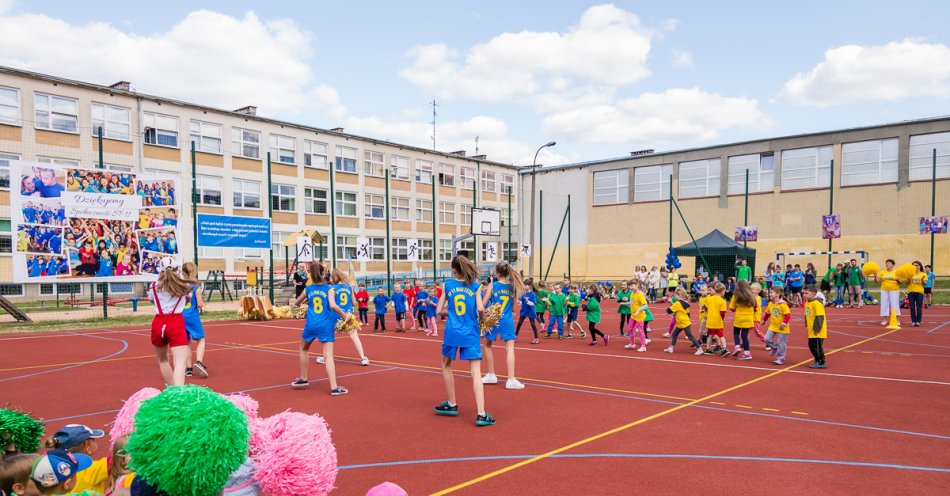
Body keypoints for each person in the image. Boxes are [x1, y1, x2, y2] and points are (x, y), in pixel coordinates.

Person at [434, 255, 495, 426]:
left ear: (454, 269)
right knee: (475, 371)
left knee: (446, 365)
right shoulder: (475, 286)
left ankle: (452, 403)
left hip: (452, 331)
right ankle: (481, 413)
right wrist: (483, 319)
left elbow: (439, 310)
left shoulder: (447, 285)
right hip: (471, 332)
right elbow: (481, 308)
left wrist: (450, 313)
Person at [290, 263, 348, 395]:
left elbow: (297, 303)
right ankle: (334, 387)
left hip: (311, 324)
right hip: (325, 325)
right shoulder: (329, 288)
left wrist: (304, 305)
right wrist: (345, 316)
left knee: (303, 348)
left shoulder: (308, 289)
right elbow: (333, 305)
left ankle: (303, 378)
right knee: (328, 356)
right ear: (323, 274)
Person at [146, 258, 192, 386]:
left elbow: (151, 300)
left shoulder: (154, 285)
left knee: (163, 360)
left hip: (158, 322)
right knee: (180, 362)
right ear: (178, 270)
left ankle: (171, 391)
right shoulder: (183, 286)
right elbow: (188, 300)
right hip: (175, 322)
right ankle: (178, 395)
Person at [481, 261, 525, 390]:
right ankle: (510, 379)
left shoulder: (492, 285)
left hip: (493, 318)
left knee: (487, 345)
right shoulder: (513, 286)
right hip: (506, 319)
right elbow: (513, 308)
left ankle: (491, 374)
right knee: (510, 348)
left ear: (497, 272)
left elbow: (483, 304)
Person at [321, 268, 370, 365]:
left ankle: (325, 357)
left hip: (335, 316)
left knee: (327, 336)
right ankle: (363, 358)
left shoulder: (332, 288)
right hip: (348, 315)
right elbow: (354, 302)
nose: (330, 278)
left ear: (334, 277)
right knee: (354, 336)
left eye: (331, 276)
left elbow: (330, 303)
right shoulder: (349, 287)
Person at [181, 262, 208, 379]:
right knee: (200, 339)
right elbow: (199, 303)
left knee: (186, 343)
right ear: (194, 272)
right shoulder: (196, 287)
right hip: (192, 316)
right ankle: (199, 361)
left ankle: (189, 370)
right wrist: (202, 305)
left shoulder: (179, 285)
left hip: (181, 316)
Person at [663, 287, 702, 354]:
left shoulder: (678, 303)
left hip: (683, 323)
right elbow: (688, 313)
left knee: (690, 336)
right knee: (674, 334)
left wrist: (670, 302)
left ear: (679, 295)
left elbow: (669, 311)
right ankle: (671, 348)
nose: (675, 296)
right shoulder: (685, 303)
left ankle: (699, 348)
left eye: (675, 295)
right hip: (683, 322)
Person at [729, 279, 759, 360]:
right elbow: (756, 306)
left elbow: (731, 308)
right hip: (748, 318)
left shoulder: (736, 296)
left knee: (736, 333)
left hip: (739, 318)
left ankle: (737, 346)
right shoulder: (752, 296)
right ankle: (747, 352)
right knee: (744, 335)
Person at [763, 286, 792, 365]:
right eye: (770, 292)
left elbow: (788, 315)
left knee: (781, 343)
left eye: (771, 292)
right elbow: (767, 313)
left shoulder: (783, 304)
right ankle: (774, 347)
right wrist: (764, 320)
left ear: (778, 294)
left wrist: (783, 323)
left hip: (782, 327)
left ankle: (780, 358)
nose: (770, 294)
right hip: (773, 326)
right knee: (766, 338)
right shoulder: (770, 304)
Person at [804, 285, 828, 369]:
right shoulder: (807, 303)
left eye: (806, 293)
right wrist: (807, 325)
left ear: (814, 294)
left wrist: (816, 329)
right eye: (804, 293)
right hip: (811, 330)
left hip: (817, 330)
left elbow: (819, 317)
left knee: (816, 347)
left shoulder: (817, 303)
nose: (804, 295)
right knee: (811, 345)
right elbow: (806, 315)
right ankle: (817, 360)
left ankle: (821, 362)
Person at [703, 283, 730, 357]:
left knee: (710, 335)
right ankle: (724, 348)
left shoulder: (709, 299)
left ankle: (708, 349)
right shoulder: (722, 301)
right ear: (722, 291)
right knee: (721, 336)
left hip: (710, 321)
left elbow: (705, 307)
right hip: (718, 321)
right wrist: (722, 319)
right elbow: (722, 312)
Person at [624, 280, 649, 352]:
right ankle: (632, 343)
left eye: (632, 285)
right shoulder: (632, 294)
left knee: (641, 331)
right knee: (630, 328)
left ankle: (643, 346)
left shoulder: (640, 295)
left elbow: (645, 305)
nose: (630, 287)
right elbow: (632, 303)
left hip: (640, 316)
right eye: (630, 286)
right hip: (633, 315)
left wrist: (638, 311)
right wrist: (624, 303)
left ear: (637, 285)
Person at [875, 259, 901, 326]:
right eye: (886, 263)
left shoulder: (896, 272)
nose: (887, 264)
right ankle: (884, 319)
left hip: (894, 290)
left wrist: (897, 279)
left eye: (889, 263)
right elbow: (877, 281)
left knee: (894, 304)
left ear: (893, 265)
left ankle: (897, 320)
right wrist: (875, 274)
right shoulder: (882, 272)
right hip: (884, 290)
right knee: (884, 304)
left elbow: (900, 282)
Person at [517, 278, 540, 344]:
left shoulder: (532, 294)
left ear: (529, 286)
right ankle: (515, 337)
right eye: (524, 285)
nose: (524, 286)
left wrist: (528, 301)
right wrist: (519, 301)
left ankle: (536, 338)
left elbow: (534, 303)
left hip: (530, 311)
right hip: (524, 310)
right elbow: (520, 301)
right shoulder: (523, 293)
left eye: (525, 285)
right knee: (519, 324)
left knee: (533, 325)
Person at [907, 261, 928, 327]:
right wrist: (909, 279)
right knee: (912, 307)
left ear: (920, 266)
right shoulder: (910, 274)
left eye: (916, 265)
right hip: (911, 292)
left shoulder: (923, 274)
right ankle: (913, 321)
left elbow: (925, 284)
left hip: (919, 292)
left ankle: (918, 321)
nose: (915, 266)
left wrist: (922, 280)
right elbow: (907, 283)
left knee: (919, 308)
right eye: (913, 265)